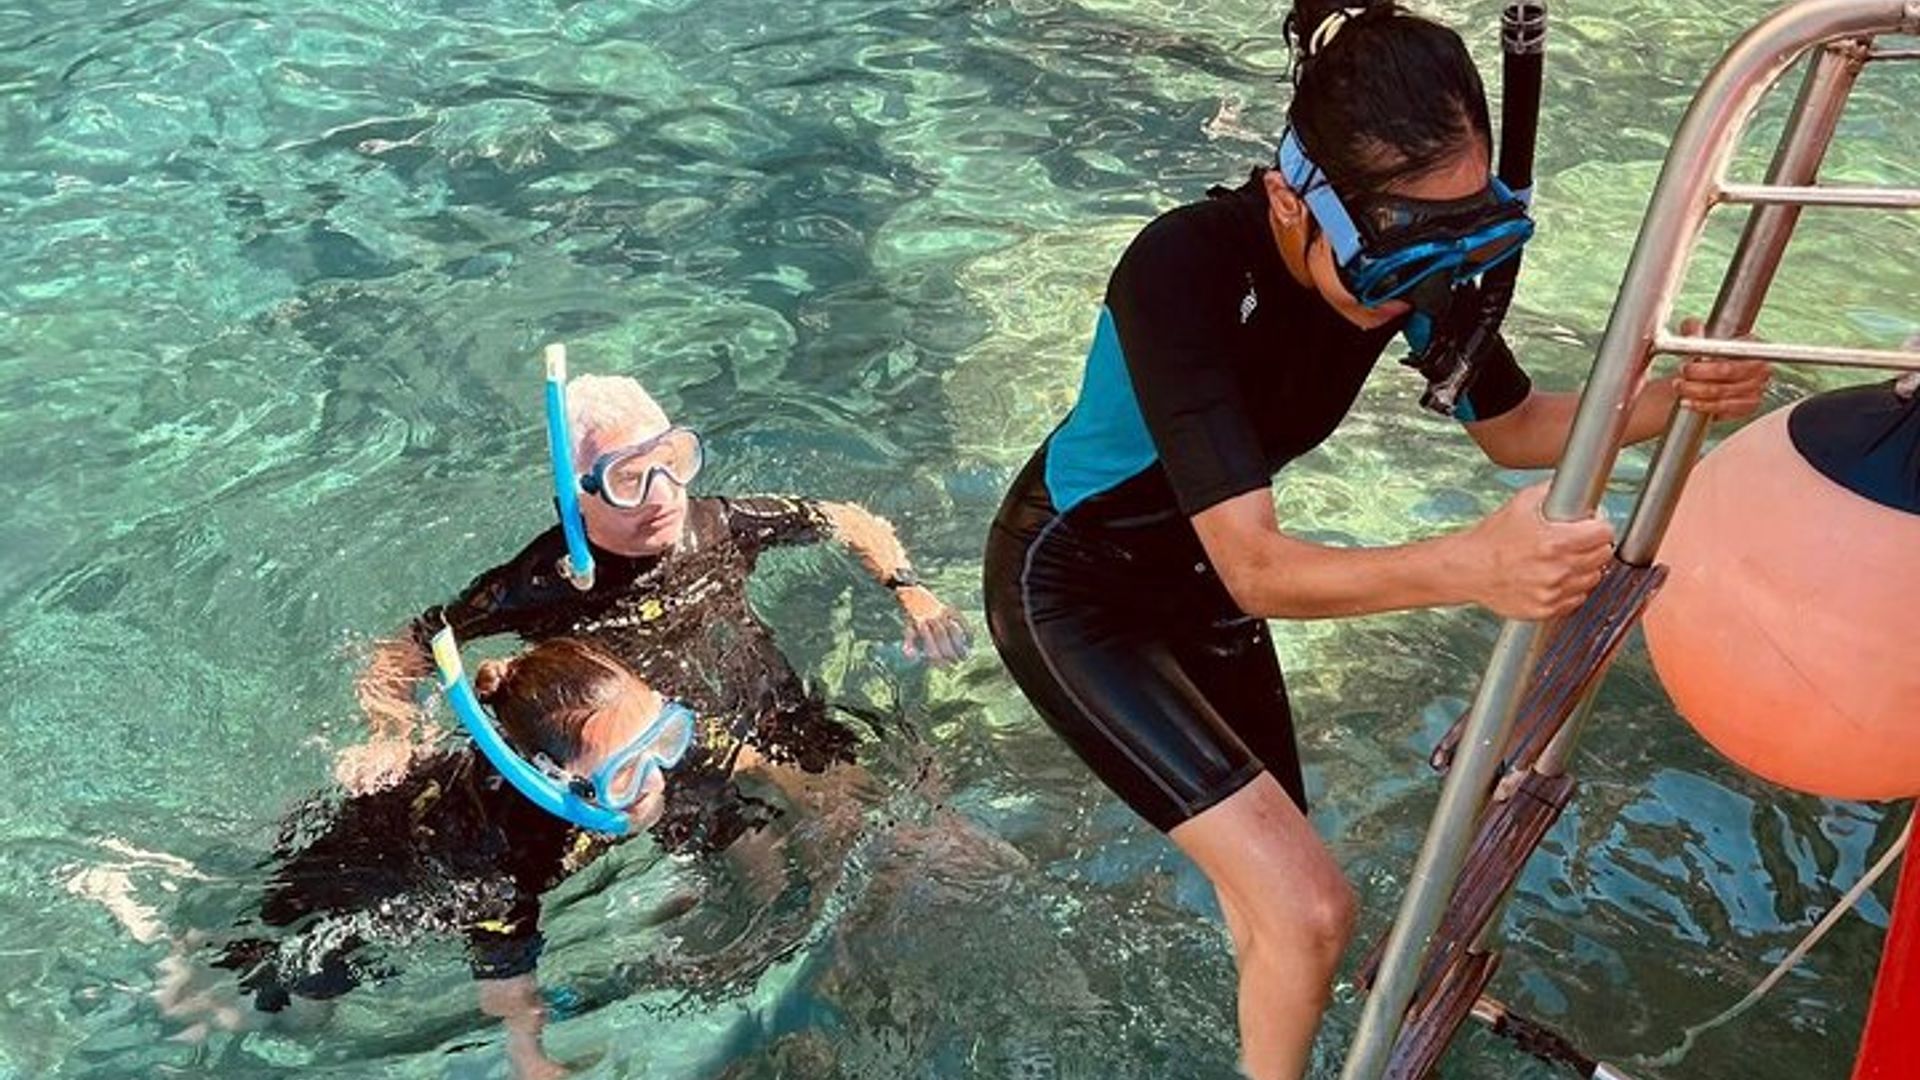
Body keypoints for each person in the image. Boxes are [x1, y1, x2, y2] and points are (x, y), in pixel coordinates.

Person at [979, 3, 1771, 1077]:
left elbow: (1515, 431)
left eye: (1459, 238)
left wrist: (1674, 396)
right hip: (1075, 589)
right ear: (1288, 201)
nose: (1421, 286)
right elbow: (1258, 567)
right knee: (1310, 908)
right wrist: (1472, 568)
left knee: (1275, 904)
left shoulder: (1411, 265)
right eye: (1396, 253)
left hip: (1208, 590)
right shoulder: (1183, 269)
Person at [342, 369, 971, 855]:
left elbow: (850, 519)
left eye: (670, 465)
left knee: (909, 832)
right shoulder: (539, 581)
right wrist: (389, 734)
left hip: (782, 721)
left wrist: (911, 591)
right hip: (674, 773)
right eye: (628, 480)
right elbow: (408, 647)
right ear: (575, 498)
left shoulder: (721, 524)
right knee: (780, 895)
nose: (662, 496)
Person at [75, 638, 691, 1080]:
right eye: (625, 775)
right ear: (547, 779)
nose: (657, 778)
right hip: (344, 890)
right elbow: (504, 988)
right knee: (287, 1019)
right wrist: (530, 1059)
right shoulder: (503, 867)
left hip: (378, 827)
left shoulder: (562, 771)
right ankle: (152, 927)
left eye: (663, 737)